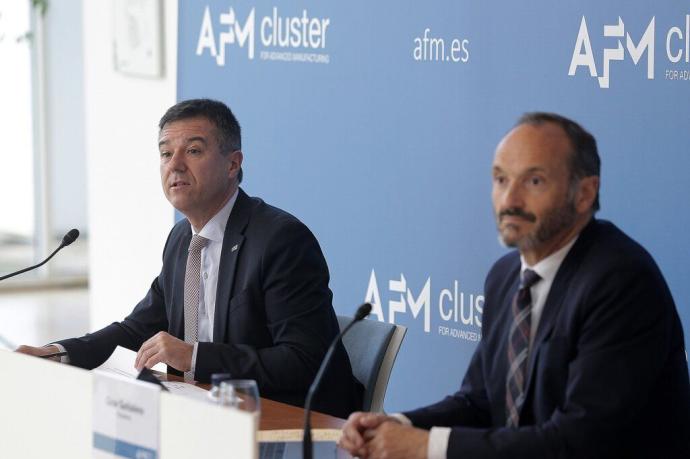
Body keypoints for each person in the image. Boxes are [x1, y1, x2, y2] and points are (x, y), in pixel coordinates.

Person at [339, 113, 690, 458]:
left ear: (584, 193)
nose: (509, 201)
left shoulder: (622, 283)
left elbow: (581, 441)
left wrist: (426, 447)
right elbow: (479, 401)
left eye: (533, 181)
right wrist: (394, 426)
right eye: (501, 180)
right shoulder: (505, 276)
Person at [17, 98, 361, 419]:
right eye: (166, 154)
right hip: (206, 415)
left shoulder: (279, 240)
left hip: (285, 418)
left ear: (233, 163)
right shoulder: (181, 239)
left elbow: (304, 359)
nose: (175, 165)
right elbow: (139, 328)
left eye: (193, 150)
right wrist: (59, 353)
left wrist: (193, 356)